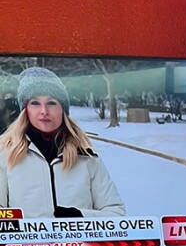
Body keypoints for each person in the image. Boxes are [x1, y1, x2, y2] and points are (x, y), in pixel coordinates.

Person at [0, 66, 125, 218]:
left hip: (81, 242)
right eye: (35, 103)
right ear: (25, 110)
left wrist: (80, 217)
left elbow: (116, 213)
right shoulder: (5, 156)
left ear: (63, 109)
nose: (44, 111)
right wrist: (20, 227)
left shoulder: (86, 158)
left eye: (52, 103)